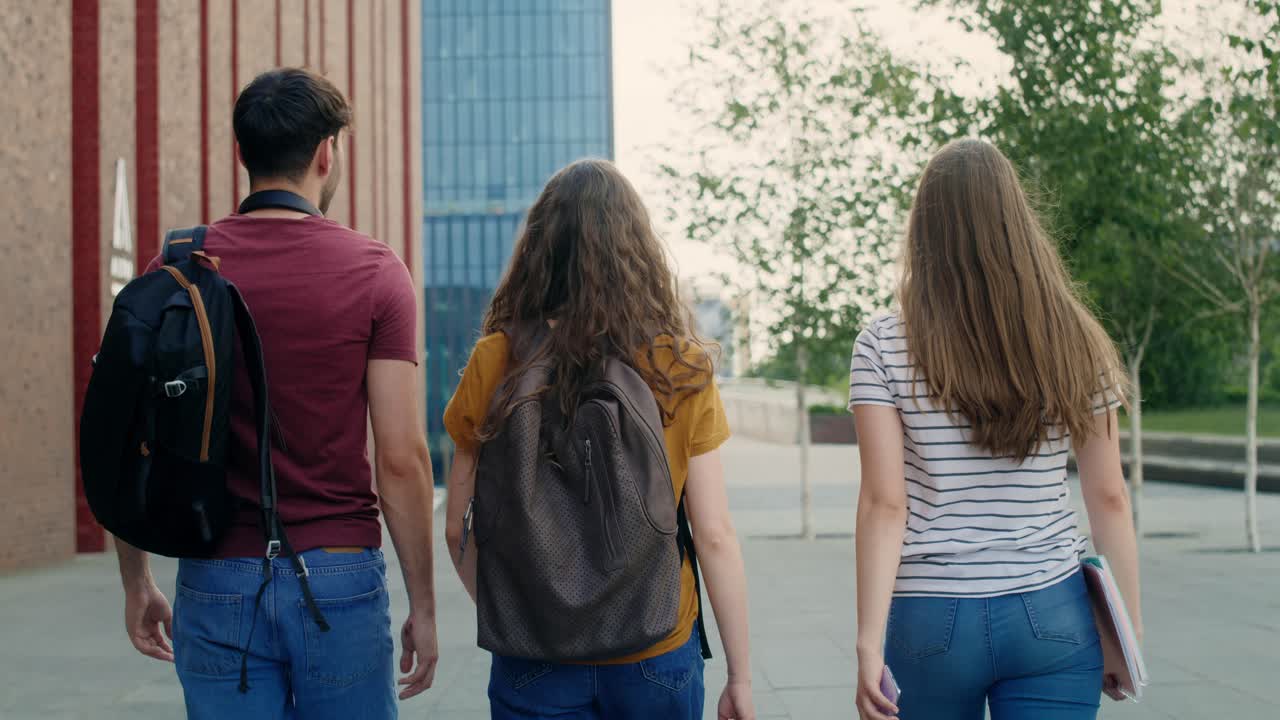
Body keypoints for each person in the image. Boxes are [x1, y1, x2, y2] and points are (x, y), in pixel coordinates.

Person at [113, 68, 438, 719]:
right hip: (340, 575)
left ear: (243, 154)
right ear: (326, 152)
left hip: (214, 576)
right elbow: (402, 458)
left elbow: (129, 436)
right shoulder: (375, 272)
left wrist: (137, 580)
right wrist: (424, 606)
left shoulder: (180, 268)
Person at [441, 159, 756, 720]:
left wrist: (521, 612)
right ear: (636, 249)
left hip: (533, 656)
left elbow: (457, 527)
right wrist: (741, 673)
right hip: (656, 648)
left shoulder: (496, 359)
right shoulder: (677, 364)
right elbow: (713, 534)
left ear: (538, 249)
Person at [849, 139, 1143, 720]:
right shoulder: (1078, 340)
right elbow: (1109, 497)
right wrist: (1125, 634)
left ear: (924, 230)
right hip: (1052, 614)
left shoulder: (882, 342)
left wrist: (866, 643)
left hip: (929, 619)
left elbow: (886, 506)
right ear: (1017, 223)